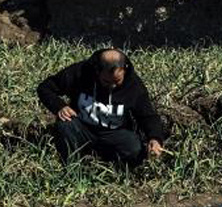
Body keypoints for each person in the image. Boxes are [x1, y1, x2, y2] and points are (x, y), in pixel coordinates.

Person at [36, 48, 168, 165]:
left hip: (115, 133)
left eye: (117, 81)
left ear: (124, 69)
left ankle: (113, 168)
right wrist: (59, 106)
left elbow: (147, 115)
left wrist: (155, 138)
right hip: (82, 128)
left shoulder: (133, 85)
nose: (112, 86)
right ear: (97, 70)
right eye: (106, 81)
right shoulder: (80, 72)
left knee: (134, 148)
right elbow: (45, 88)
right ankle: (72, 166)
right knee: (65, 125)